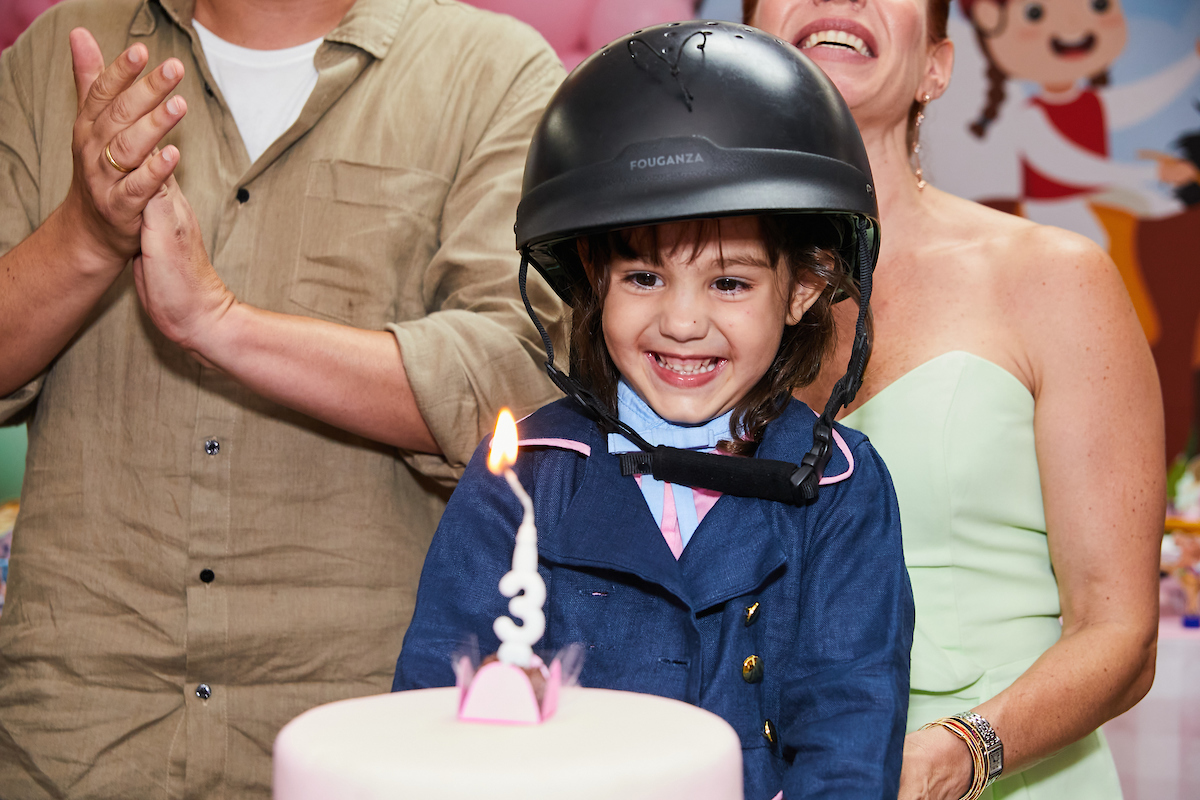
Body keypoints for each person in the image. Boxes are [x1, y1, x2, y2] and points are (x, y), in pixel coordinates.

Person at [0, 0, 565, 795]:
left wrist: (220, 324)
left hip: (363, 726)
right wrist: (88, 236)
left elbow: (516, 381)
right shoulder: (55, 53)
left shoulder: (492, 71)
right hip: (77, 730)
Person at [394, 22, 914, 800]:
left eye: (729, 283)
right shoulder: (524, 475)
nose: (681, 321)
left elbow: (850, 734)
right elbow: (435, 711)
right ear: (590, 279)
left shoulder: (840, 487)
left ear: (803, 288)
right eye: (643, 277)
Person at [747, 1, 1164, 799]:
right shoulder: (692, 311)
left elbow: (1121, 634)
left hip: (1016, 774)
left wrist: (957, 755)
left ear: (936, 68)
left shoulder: (1055, 278)